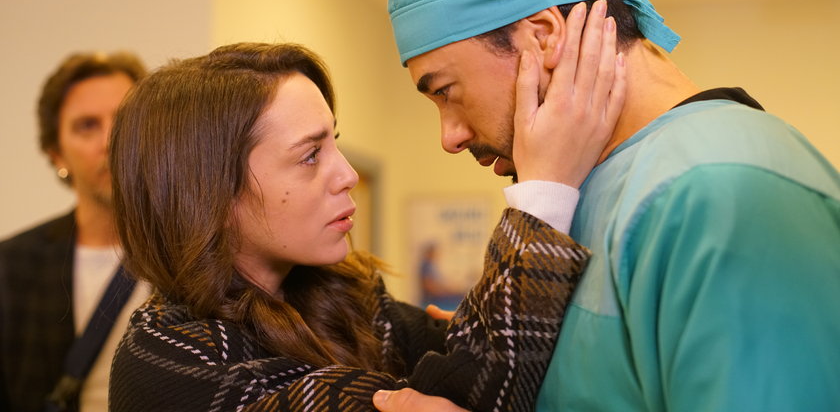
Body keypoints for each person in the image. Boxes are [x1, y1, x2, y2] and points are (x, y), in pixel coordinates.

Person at [381, 0, 840, 411]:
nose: (449, 137)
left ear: (543, 37)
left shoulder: (727, 189)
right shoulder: (581, 193)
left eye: (445, 91)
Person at [107, 35, 624, 411]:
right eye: (310, 156)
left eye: (334, 143)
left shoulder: (349, 299)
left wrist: (479, 340)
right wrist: (545, 188)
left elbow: (478, 360)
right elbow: (479, 389)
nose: (348, 175)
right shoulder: (171, 361)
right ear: (210, 193)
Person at [0, 52, 150, 412]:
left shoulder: (199, 255)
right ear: (57, 154)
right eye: (87, 125)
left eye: (124, 120)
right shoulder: (11, 266)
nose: (110, 140)